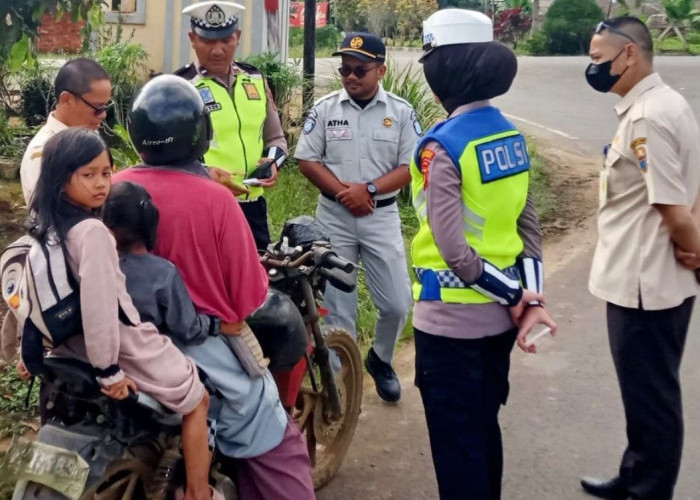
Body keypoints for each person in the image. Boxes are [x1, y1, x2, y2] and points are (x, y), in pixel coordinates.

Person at [114, 75, 315, 500]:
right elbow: (247, 301)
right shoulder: (216, 200)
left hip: (119, 341)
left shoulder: (111, 187)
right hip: (199, 347)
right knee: (276, 439)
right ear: (201, 135)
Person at [410, 10, 557, 500]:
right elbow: (527, 222)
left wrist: (517, 294)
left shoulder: (443, 145)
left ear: (442, 75)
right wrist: (529, 296)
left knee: (457, 449)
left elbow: (453, 249)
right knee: (483, 431)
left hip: (450, 326)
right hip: (497, 326)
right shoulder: (508, 136)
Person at [25, 127, 213, 500]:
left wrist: (22, 348)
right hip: (117, 344)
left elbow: (27, 288)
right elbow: (100, 307)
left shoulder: (44, 226)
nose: (101, 184)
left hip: (66, 345)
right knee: (197, 398)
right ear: (63, 179)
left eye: (106, 173)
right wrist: (109, 371)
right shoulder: (93, 231)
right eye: (88, 174)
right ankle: (197, 491)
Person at [581, 17, 700, 500]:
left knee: (652, 397)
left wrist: (695, 247)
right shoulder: (666, 103)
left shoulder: (649, 115)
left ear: (628, 54)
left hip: (645, 284)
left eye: (597, 59)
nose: (592, 69)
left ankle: (649, 490)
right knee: (643, 392)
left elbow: (673, 208)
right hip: (645, 279)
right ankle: (635, 473)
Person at [294, 32, 420, 403]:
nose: (350, 76)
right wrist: (343, 193)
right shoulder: (326, 109)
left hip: (380, 217)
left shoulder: (400, 112)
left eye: (359, 70)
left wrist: (370, 191)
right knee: (337, 307)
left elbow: (411, 165)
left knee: (397, 303)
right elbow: (306, 159)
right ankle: (340, 383)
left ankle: (380, 359)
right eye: (345, 69)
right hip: (334, 215)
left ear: (380, 70)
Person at [176, 1, 287, 251]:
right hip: (204, 207)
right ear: (192, 39)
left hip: (253, 206)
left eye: (226, 40)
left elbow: (276, 138)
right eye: (207, 41)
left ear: (237, 37)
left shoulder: (255, 80)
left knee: (259, 279)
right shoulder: (179, 88)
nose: (217, 50)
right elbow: (165, 158)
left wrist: (272, 163)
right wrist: (205, 174)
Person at [20, 58, 111, 205]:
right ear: (67, 99)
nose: (103, 115)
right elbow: (46, 217)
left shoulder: (90, 136)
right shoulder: (43, 153)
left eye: (105, 107)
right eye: (97, 108)